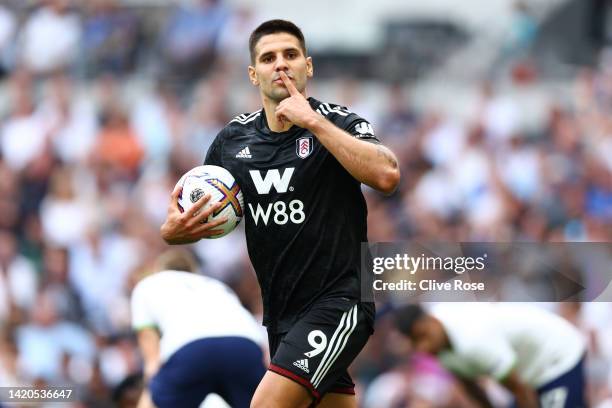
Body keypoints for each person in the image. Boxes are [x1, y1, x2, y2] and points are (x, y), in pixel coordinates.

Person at [160, 19, 400, 407]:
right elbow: (209, 217)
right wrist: (175, 232)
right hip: (282, 314)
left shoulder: (337, 121)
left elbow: (387, 175)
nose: (281, 64)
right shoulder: (232, 141)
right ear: (254, 75)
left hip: (341, 300)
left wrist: (313, 122)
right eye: (269, 58)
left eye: (290, 55)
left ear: (308, 66)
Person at [130, 249, 266, 408]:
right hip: (245, 347)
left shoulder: (147, 285)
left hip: (191, 350)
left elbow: (152, 363)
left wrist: (153, 392)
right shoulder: (216, 285)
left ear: (159, 270)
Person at [394, 303, 588, 408]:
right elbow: (472, 387)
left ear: (432, 321)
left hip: (557, 357)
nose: (423, 347)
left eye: (422, 336)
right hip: (529, 376)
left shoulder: (472, 340)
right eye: (415, 342)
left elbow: (520, 391)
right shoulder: (441, 347)